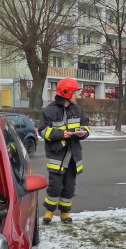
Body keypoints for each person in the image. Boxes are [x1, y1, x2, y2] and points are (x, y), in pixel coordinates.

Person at [38, 78, 90, 224]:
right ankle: (49, 212)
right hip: (57, 156)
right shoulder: (49, 111)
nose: (77, 95)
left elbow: (85, 126)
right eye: (75, 92)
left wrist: (82, 133)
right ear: (66, 93)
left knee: (69, 187)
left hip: (73, 156)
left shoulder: (77, 110)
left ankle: (65, 213)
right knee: (55, 186)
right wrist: (60, 134)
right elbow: (42, 131)